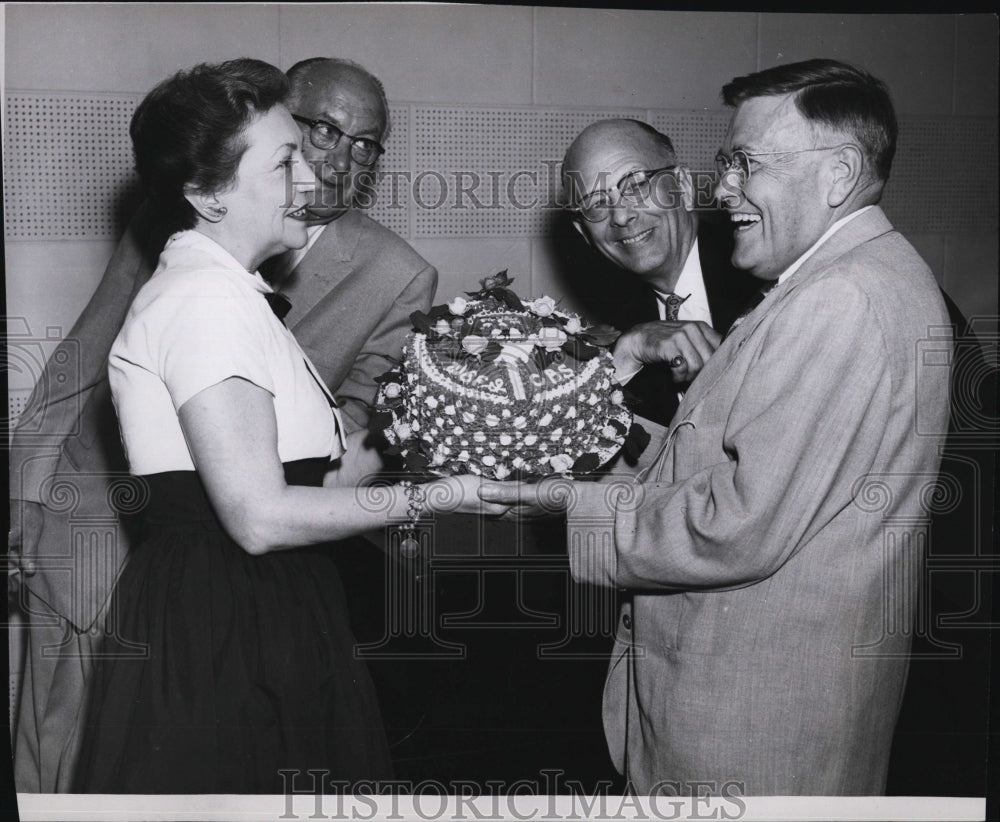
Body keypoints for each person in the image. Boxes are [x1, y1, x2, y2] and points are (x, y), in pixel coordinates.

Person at [482, 58, 953, 795]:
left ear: (837, 174)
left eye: (746, 163)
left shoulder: (840, 300)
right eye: (727, 163)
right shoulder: (841, 280)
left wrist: (566, 506)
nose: (724, 187)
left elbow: (739, 523)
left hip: (759, 722)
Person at [60, 58, 501, 794]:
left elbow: (322, 475)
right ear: (208, 194)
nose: (314, 181)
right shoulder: (205, 300)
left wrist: (464, 402)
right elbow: (260, 517)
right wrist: (441, 497)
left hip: (266, 606)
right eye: (286, 161)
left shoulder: (234, 293)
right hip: (226, 621)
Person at [561, 119, 759, 425]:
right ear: (584, 233)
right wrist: (625, 359)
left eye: (637, 185)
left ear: (683, 186)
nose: (621, 216)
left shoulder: (763, 277)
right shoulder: (613, 335)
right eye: (596, 203)